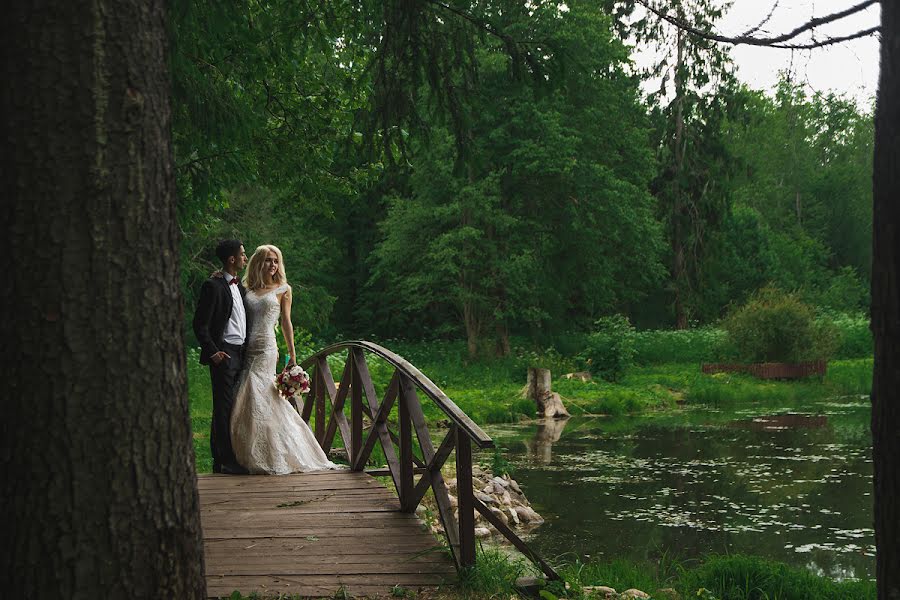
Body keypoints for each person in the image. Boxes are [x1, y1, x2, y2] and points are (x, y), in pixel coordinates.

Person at [230, 244, 339, 474]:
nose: (273, 265)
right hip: (246, 348)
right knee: (249, 396)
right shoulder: (246, 289)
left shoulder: (283, 289)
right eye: (268, 260)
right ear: (259, 263)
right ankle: (247, 451)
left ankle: (274, 451)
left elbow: (286, 323)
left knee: (258, 393)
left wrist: (292, 354)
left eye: (276, 261)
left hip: (267, 348)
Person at [192, 239, 250, 475]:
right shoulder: (212, 285)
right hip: (224, 353)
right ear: (232, 259)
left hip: (242, 353)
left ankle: (231, 456)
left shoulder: (241, 287)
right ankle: (224, 461)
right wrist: (213, 352)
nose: (245, 258)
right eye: (243, 254)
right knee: (223, 408)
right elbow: (200, 324)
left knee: (235, 407)